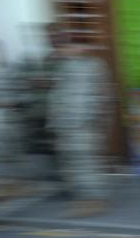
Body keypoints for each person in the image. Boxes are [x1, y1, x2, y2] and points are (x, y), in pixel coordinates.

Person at [47, 30, 111, 217]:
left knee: (85, 162)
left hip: (82, 124)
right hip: (65, 124)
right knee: (71, 163)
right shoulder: (64, 67)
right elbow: (57, 97)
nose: (65, 49)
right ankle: (83, 198)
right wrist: (54, 123)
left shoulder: (92, 66)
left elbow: (102, 95)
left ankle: (93, 199)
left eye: (69, 45)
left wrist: (99, 122)